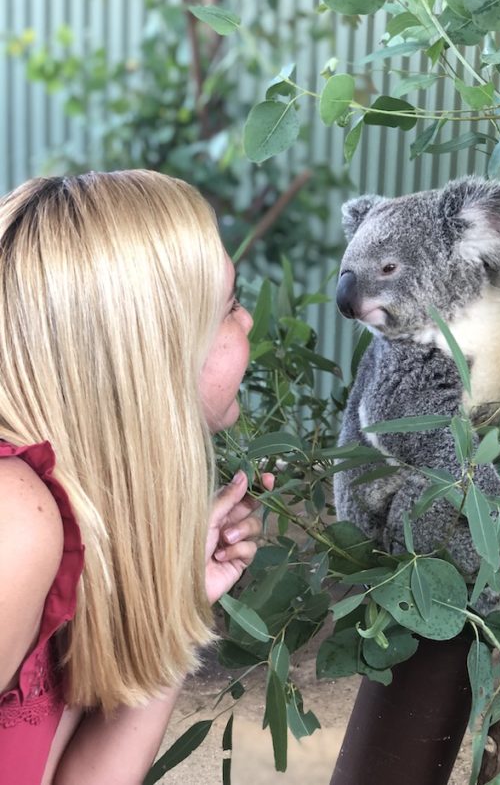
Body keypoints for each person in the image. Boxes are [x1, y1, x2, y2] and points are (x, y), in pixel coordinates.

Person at [0, 170, 272, 785]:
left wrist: (174, 606)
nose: (249, 321)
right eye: (229, 304)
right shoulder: (12, 520)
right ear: (152, 349)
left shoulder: (62, 514)